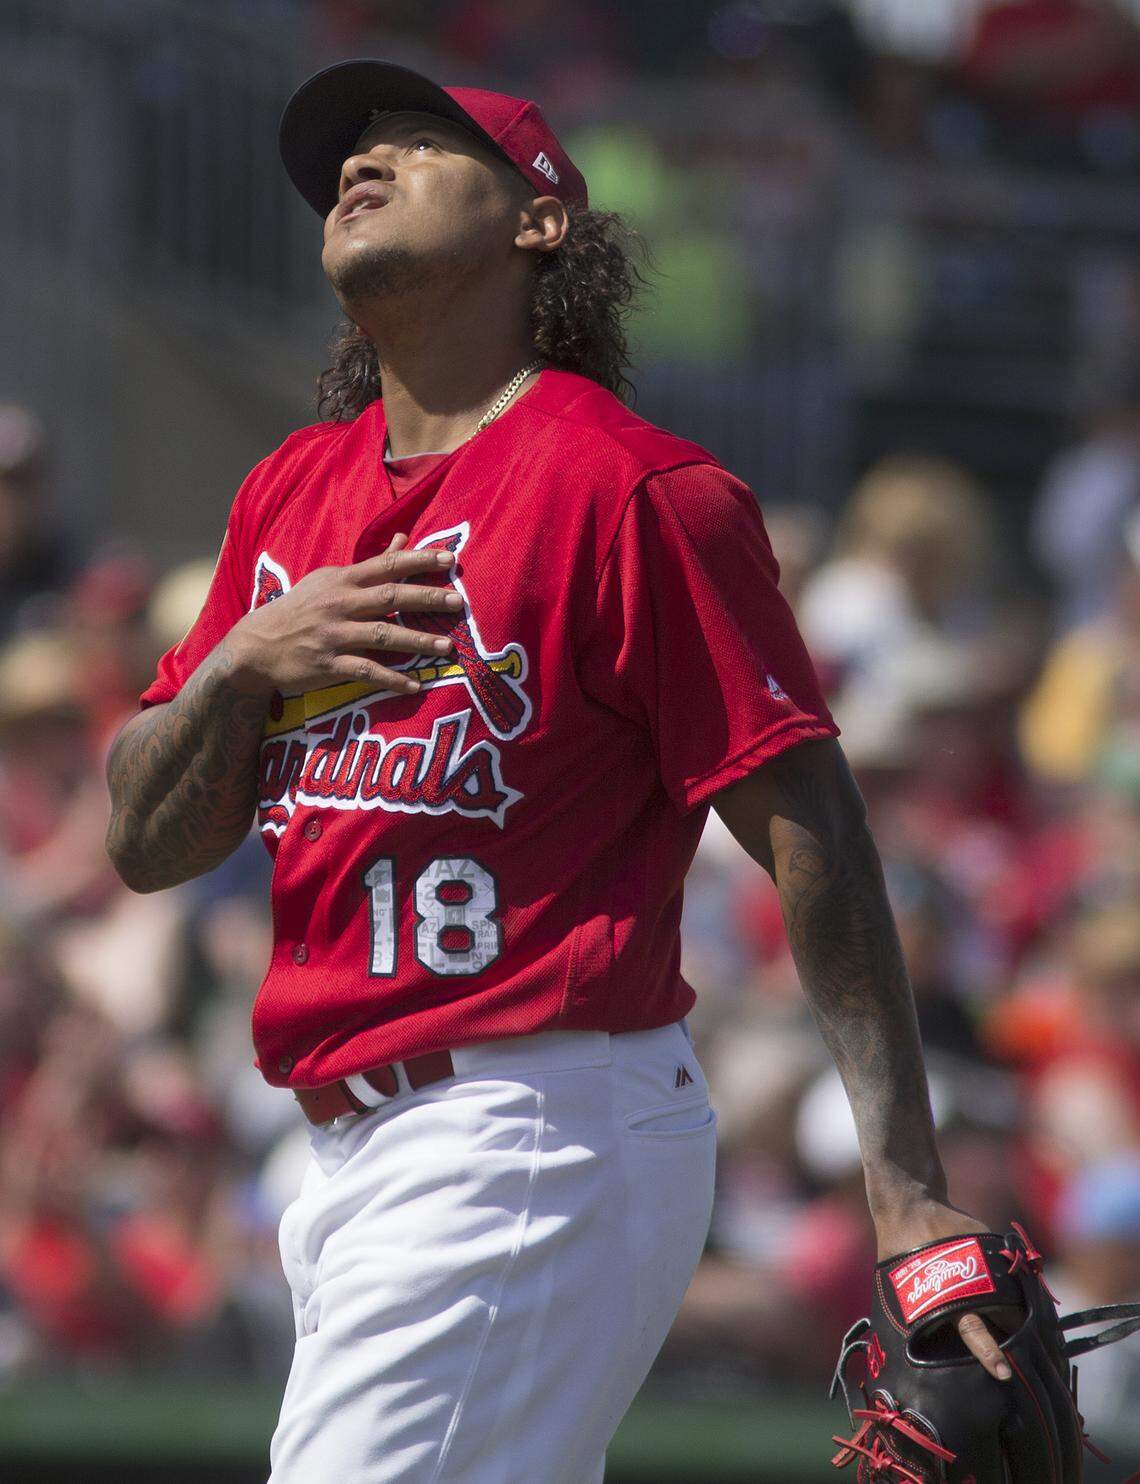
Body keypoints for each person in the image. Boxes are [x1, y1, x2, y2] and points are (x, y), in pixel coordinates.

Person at [104, 59, 1008, 1484]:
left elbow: (808, 818)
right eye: (344, 157)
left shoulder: (632, 491)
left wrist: (904, 1189)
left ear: (540, 225)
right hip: (338, 1152)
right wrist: (237, 666)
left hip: (526, 1119)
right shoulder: (288, 493)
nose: (360, 164)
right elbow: (145, 840)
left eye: (416, 142)